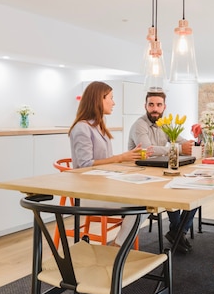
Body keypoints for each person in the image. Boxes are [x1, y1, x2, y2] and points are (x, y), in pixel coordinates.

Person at [69, 81, 144, 247]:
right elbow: (84, 165)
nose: (114, 102)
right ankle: (118, 246)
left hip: (103, 187)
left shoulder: (99, 126)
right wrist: (120, 158)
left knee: (147, 197)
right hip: (89, 194)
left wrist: (125, 161)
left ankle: (119, 244)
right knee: (142, 202)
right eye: (111, 98)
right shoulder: (82, 128)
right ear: (99, 99)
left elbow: (105, 164)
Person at [127, 90, 196, 254]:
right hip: (140, 175)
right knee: (172, 190)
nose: (154, 109)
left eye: (158, 105)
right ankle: (178, 233)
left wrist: (193, 143)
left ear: (164, 107)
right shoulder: (140, 124)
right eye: (151, 105)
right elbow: (147, 150)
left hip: (160, 172)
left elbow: (182, 141)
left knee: (194, 192)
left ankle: (177, 232)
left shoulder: (165, 124)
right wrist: (178, 148)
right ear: (145, 106)